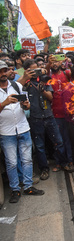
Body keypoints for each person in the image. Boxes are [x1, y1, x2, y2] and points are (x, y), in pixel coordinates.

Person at [0, 60, 44, 203]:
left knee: (27, 160)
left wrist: (26, 105)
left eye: (4, 70)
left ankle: (28, 186)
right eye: (0, 71)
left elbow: (26, 107)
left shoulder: (16, 86)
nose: (3, 74)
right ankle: (15, 190)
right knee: (12, 162)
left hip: (23, 128)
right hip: (7, 132)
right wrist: (4, 103)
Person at [21, 59, 71, 180]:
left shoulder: (45, 80)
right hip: (35, 118)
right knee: (39, 146)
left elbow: (50, 97)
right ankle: (44, 169)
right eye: (32, 70)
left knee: (58, 141)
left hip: (49, 116)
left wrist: (42, 89)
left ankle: (63, 163)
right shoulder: (24, 84)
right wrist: (24, 77)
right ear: (27, 71)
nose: (35, 72)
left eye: (37, 69)